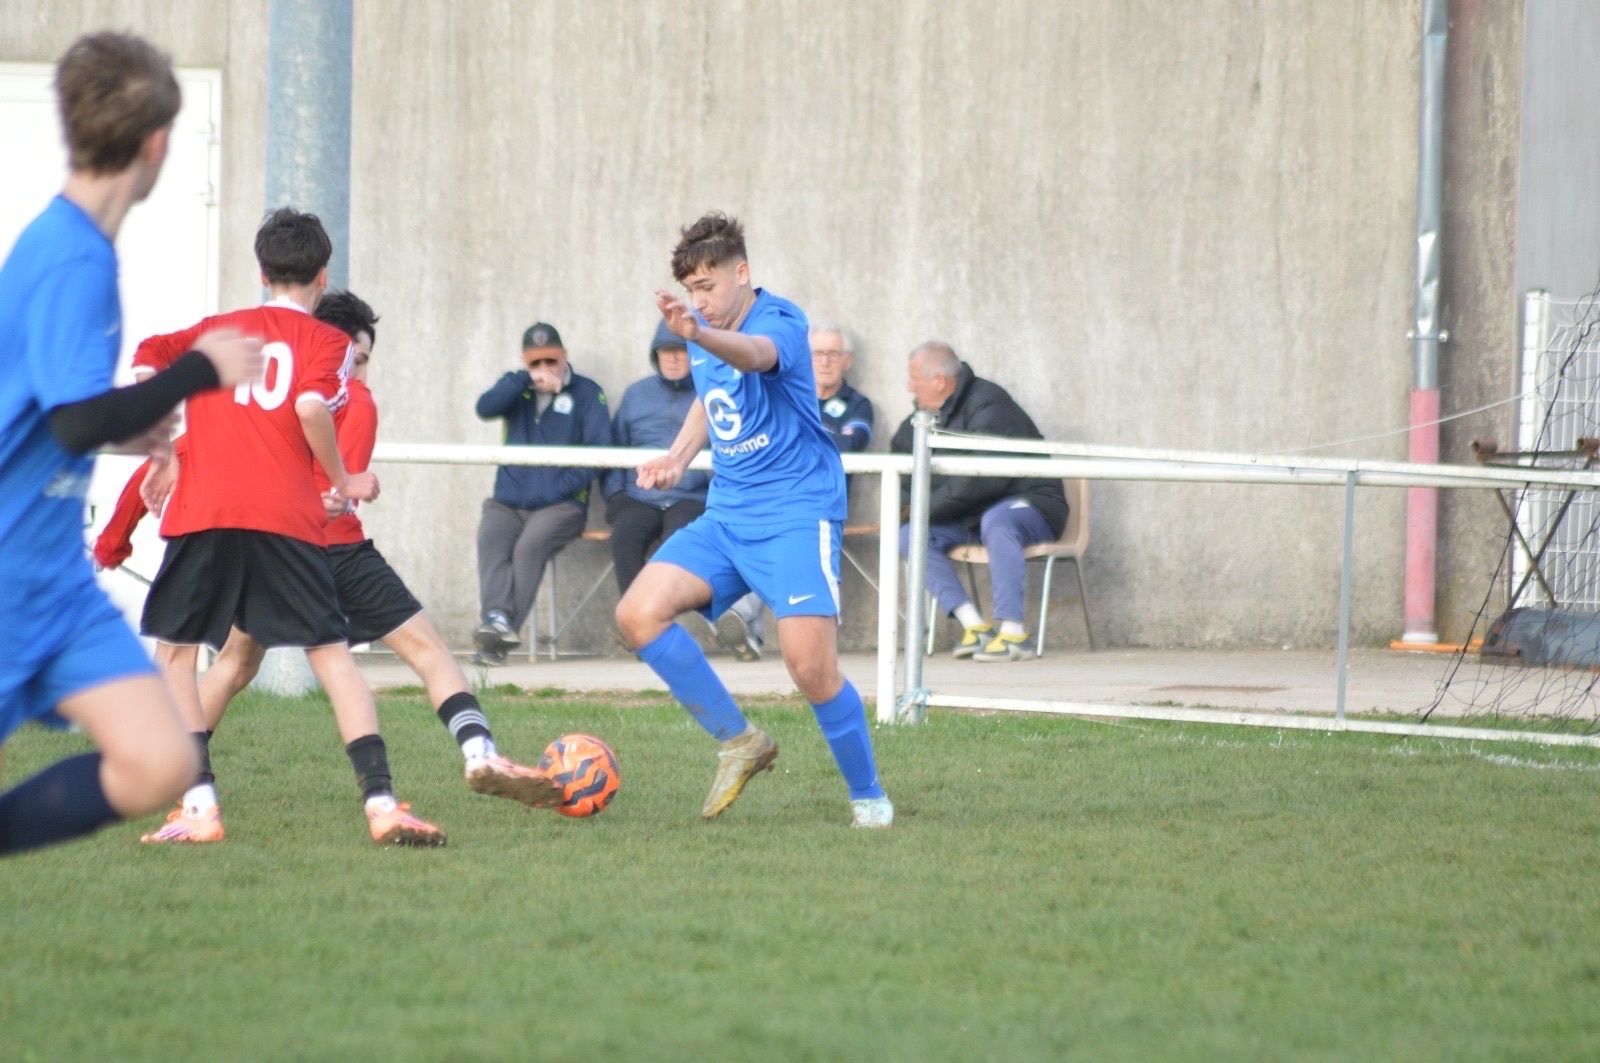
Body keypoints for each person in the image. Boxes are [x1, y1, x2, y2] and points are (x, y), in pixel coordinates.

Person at [101, 291, 562, 844]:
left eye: (362, 360)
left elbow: (190, 448)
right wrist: (337, 487)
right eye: (352, 358)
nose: (354, 369)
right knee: (414, 651)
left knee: (232, 665)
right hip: (323, 549)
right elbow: (330, 489)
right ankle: (468, 756)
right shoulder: (353, 400)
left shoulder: (256, 392)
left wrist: (114, 539)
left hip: (267, 543)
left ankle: (181, 779)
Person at [0, 32, 264, 856]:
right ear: (157, 143)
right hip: (6, 576)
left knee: (158, 760)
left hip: (58, 586)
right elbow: (76, 419)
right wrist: (196, 371)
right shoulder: (70, 257)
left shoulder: (81, 247)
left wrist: (130, 422)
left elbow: (63, 414)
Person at [133, 207, 447, 847]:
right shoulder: (329, 343)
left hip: (207, 511)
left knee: (177, 654)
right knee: (332, 658)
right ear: (322, 277)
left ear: (260, 270)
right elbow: (309, 405)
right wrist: (343, 480)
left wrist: (158, 437)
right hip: (286, 516)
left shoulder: (218, 327)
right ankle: (382, 803)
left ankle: (199, 809)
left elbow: (148, 355)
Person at [614, 211, 892, 828]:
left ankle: (869, 797)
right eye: (690, 290)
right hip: (728, 515)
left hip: (797, 513)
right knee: (637, 614)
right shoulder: (701, 329)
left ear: (743, 273)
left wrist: (699, 333)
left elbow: (754, 357)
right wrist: (676, 458)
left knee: (811, 670)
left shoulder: (780, 322)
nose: (699, 301)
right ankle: (740, 741)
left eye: (707, 287)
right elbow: (711, 404)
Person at [890, 341, 1068, 662]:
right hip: (971, 515)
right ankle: (974, 626)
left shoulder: (989, 403)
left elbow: (982, 477)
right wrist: (909, 509)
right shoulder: (923, 416)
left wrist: (922, 508)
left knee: (998, 521)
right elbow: (904, 465)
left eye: (914, 378)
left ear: (940, 382)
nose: (909, 387)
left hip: (1032, 504)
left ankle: (1014, 635)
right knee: (909, 535)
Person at [473, 322, 612, 664]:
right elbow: (484, 408)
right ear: (525, 362)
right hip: (508, 502)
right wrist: (523, 381)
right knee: (490, 539)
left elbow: (601, 451)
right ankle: (497, 621)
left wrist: (559, 487)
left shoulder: (587, 393)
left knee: (528, 548)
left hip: (561, 506)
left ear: (564, 357)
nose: (545, 369)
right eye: (536, 363)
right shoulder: (515, 388)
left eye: (551, 361)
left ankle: (498, 633)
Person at [601, 321, 710, 595]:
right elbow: (615, 446)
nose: (672, 357)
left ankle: (654, 621)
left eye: (680, 350)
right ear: (655, 355)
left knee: (677, 547)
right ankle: (636, 624)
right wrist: (616, 496)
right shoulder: (636, 394)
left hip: (692, 498)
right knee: (624, 540)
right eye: (665, 350)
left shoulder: (710, 392)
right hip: (639, 496)